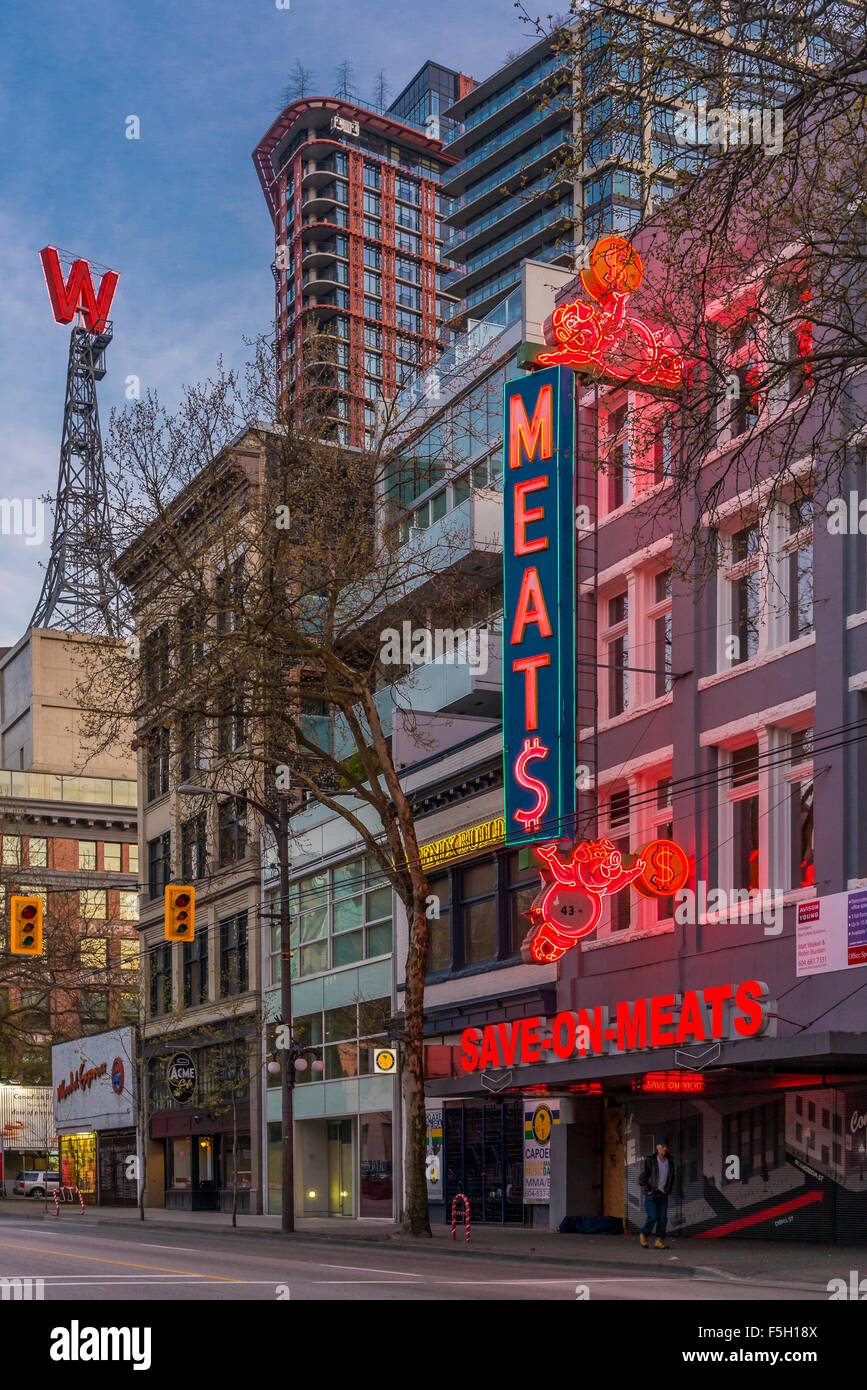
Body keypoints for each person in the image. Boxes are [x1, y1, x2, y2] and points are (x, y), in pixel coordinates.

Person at [638, 1138, 675, 1248]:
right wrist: (647, 1190)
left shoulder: (670, 1161)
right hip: (652, 1193)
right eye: (662, 1146)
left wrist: (669, 1189)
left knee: (663, 1219)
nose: (665, 1148)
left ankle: (659, 1240)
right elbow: (642, 1178)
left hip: (663, 1194)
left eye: (666, 1146)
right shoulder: (650, 1160)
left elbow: (672, 1177)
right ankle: (644, 1233)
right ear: (657, 1147)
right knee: (653, 1216)